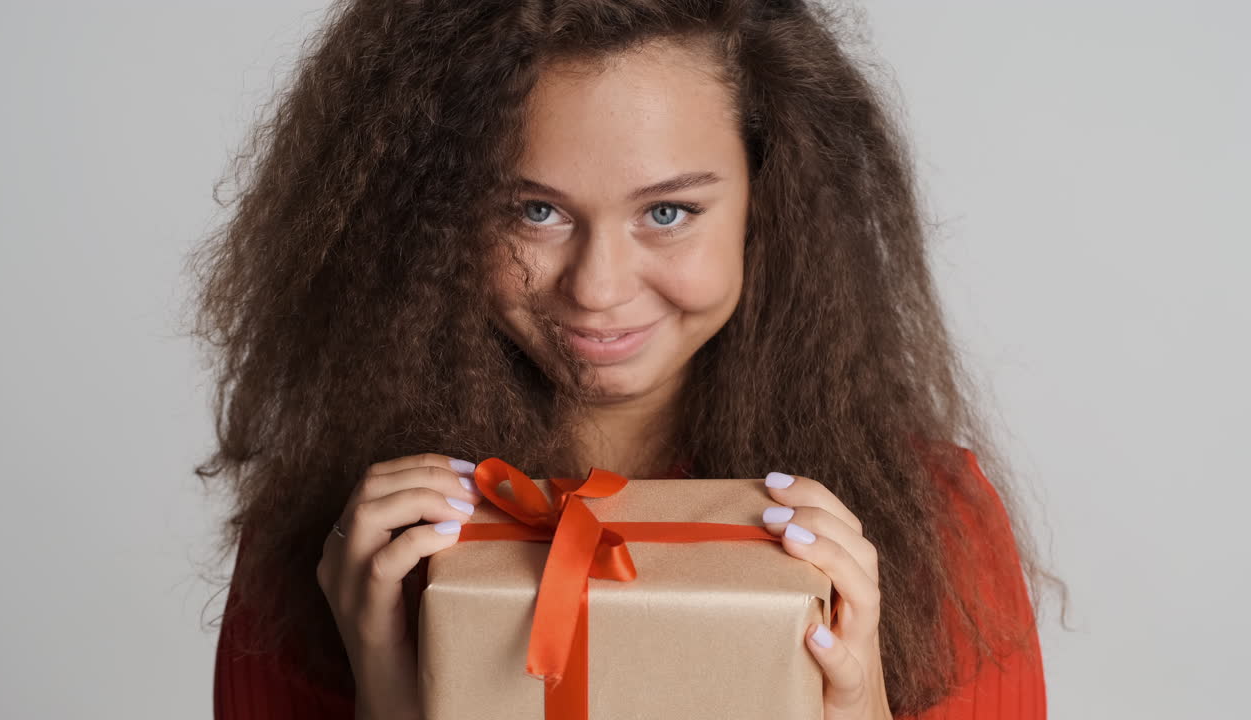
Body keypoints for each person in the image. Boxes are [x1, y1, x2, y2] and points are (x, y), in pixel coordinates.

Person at [191, 1, 1059, 718]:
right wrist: (389, 691)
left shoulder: (938, 529)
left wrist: (860, 704)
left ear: (772, 202)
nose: (599, 289)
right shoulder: (338, 545)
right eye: (534, 211)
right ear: (434, 219)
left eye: (669, 212)